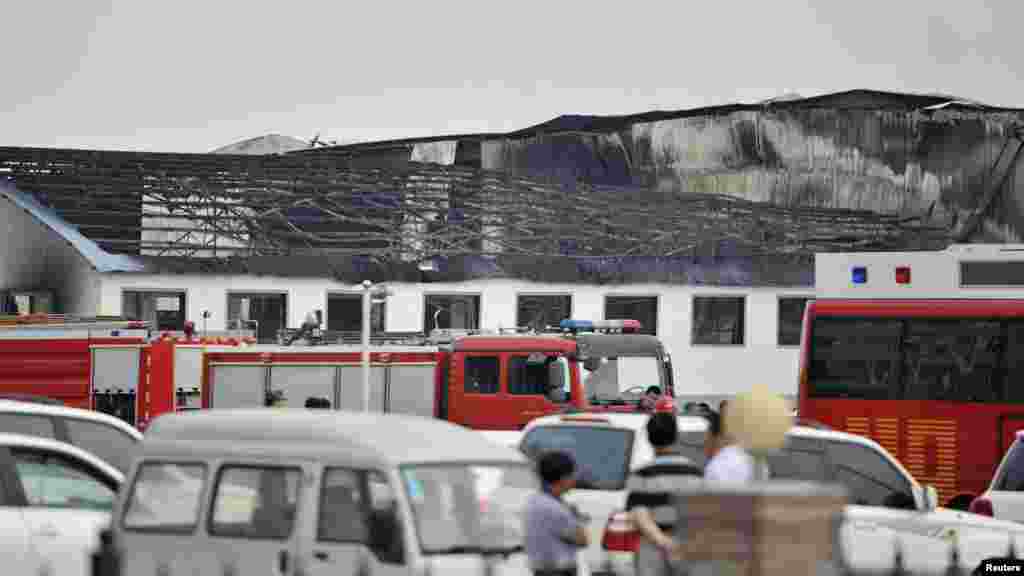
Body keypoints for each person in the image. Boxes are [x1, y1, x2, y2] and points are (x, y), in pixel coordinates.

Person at [625, 412, 702, 575]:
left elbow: (638, 514)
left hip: (652, 548)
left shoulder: (641, 474)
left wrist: (662, 541)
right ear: (676, 436)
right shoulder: (695, 472)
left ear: (649, 437)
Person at [523, 451, 589, 576]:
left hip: (540, 570)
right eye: (573, 475)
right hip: (558, 571)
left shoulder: (533, 501)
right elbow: (583, 540)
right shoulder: (556, 509)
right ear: (564, 478)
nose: (575, 479)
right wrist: (576, 517)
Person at [703, 409, 757, 483]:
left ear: (718, 437)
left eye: (707, 437)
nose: (705, 443)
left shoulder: (716, 467)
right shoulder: (752, 461)